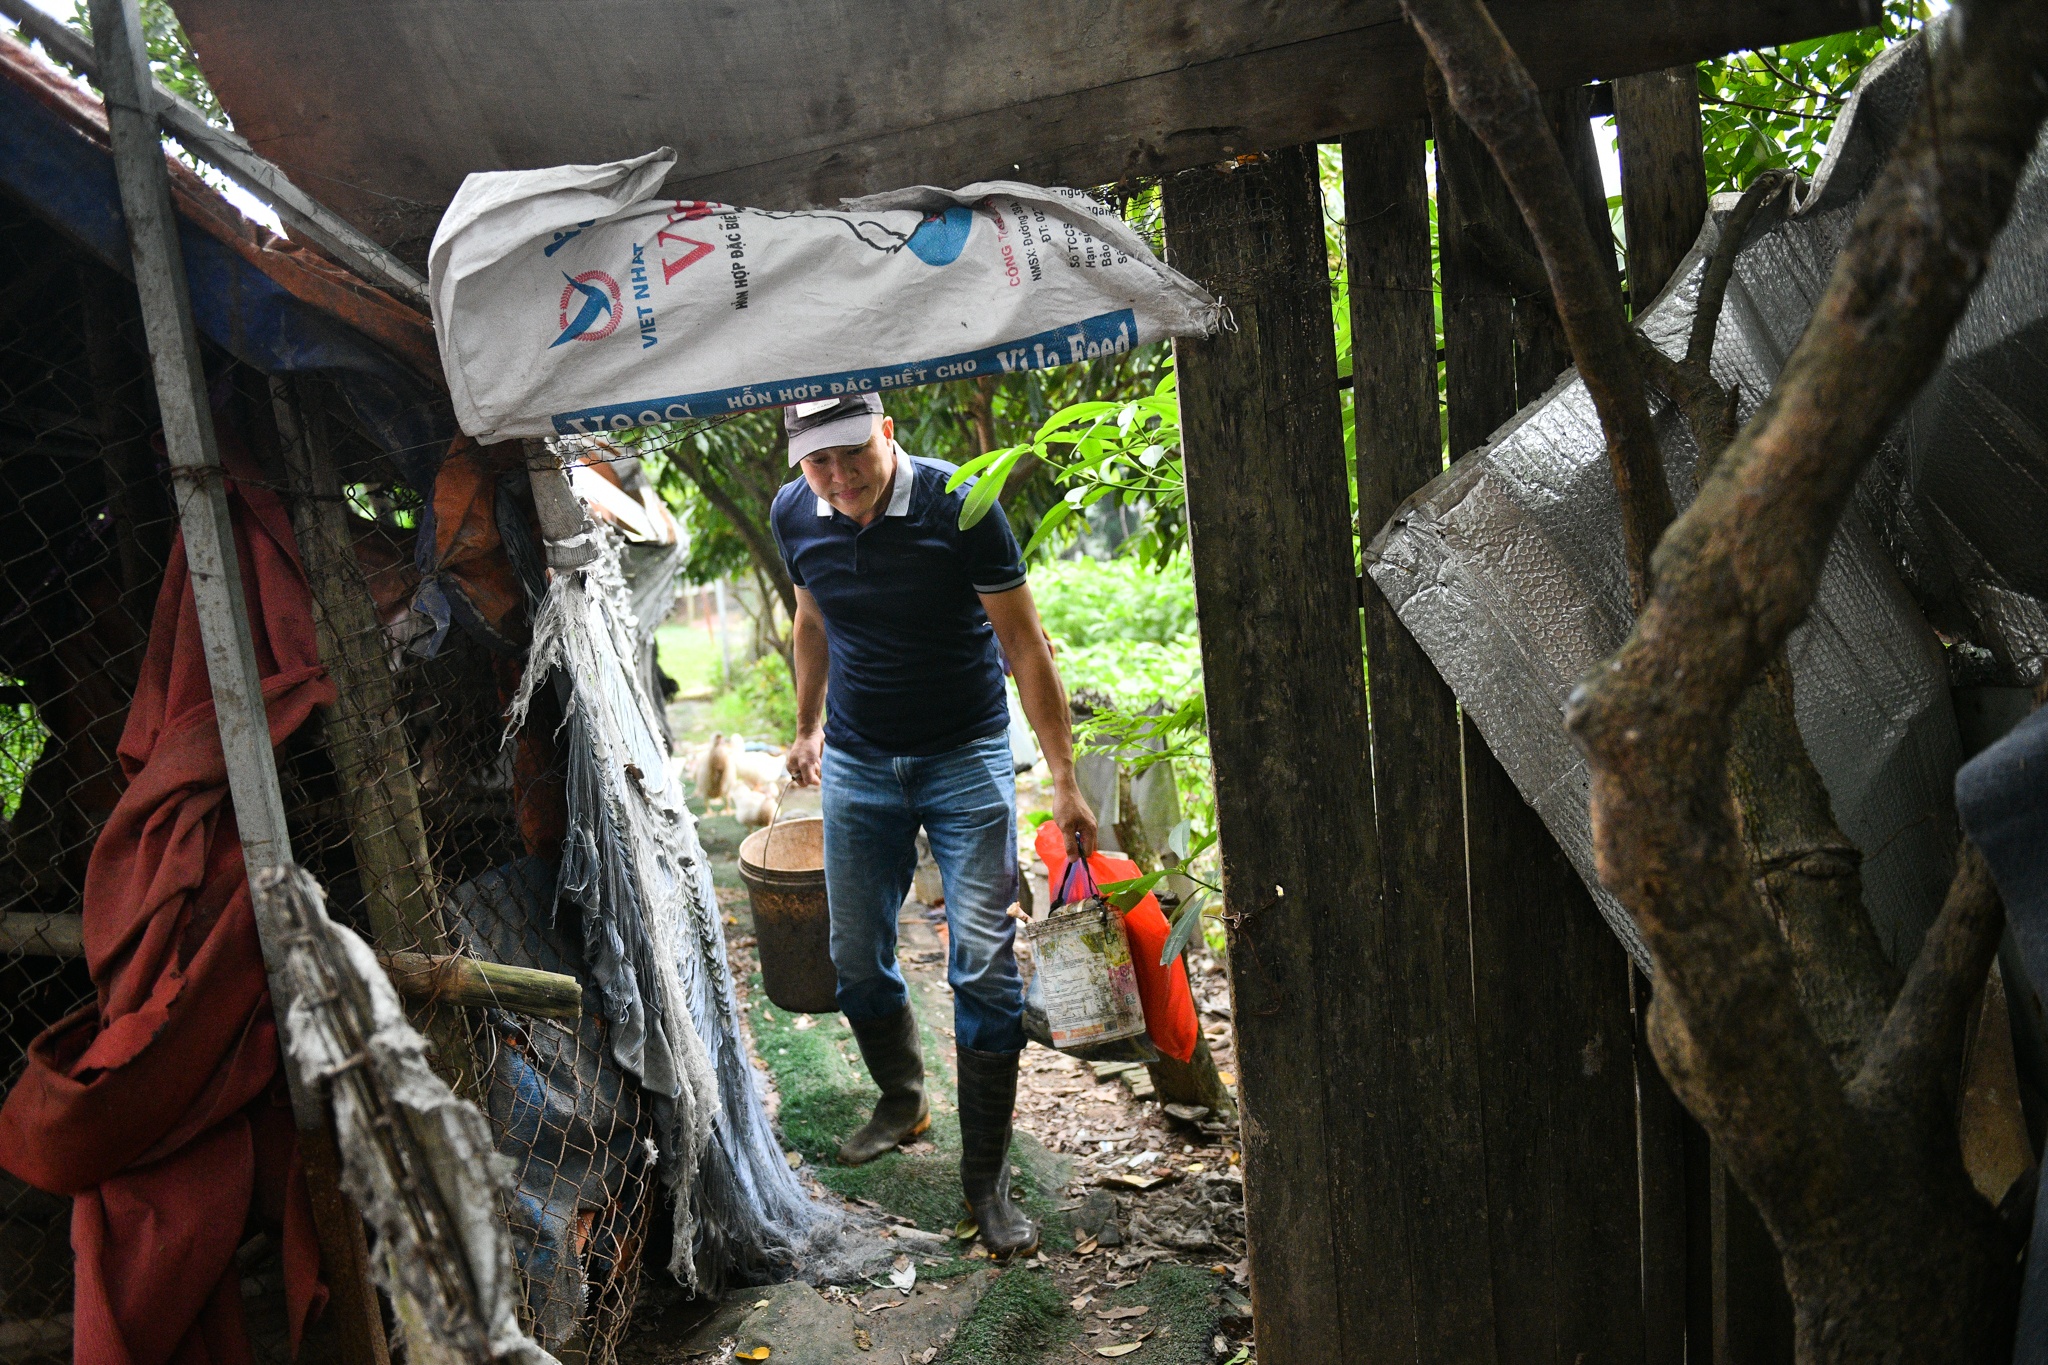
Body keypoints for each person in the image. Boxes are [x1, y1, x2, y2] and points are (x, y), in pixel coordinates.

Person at [772, 392, 1096, 1261]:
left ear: (887, 432)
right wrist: (808, 725)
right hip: (860, 760)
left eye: (851, 453)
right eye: (817, 462)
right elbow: (812, 619)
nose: (836, 478)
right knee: (852, 953)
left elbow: (1027, 645)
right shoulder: (793, 510)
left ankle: (984, 1181)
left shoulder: (964, 505)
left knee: (983, 964)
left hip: (966, 757)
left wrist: (1063, 779)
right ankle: (903, 1095)